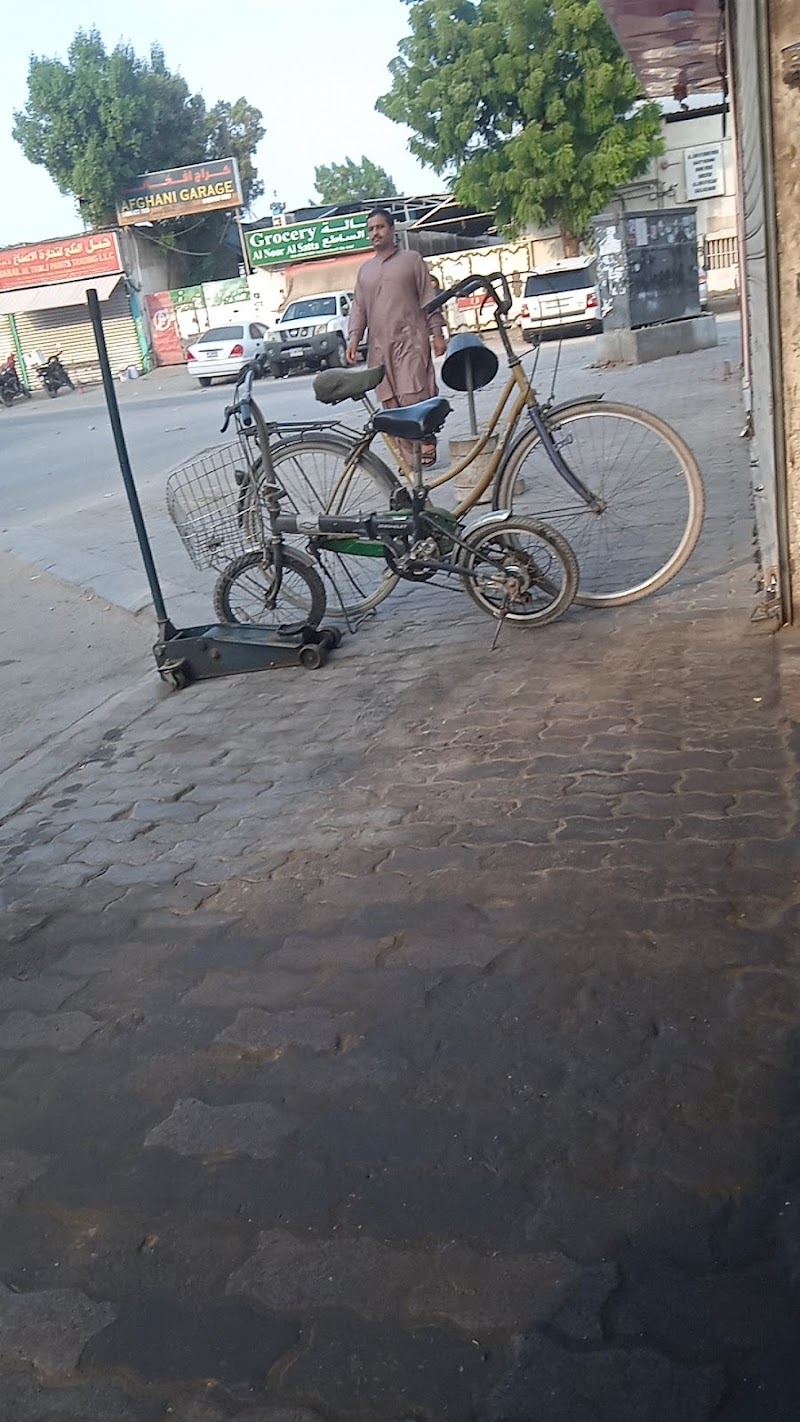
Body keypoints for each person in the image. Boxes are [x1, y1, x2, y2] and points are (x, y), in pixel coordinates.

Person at [347, 209, 447, 468]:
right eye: (370, 229)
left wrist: (437, 333)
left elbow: (428, 299)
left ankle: (425, 439)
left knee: (414, 396)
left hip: (410, 342)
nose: (375, 233)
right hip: (380, 349)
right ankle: (410, 460)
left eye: (380, 227)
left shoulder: (412, 260)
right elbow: (359, 307)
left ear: (392, 230)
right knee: (390, 404)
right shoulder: (365, 271)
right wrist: (353, 339)